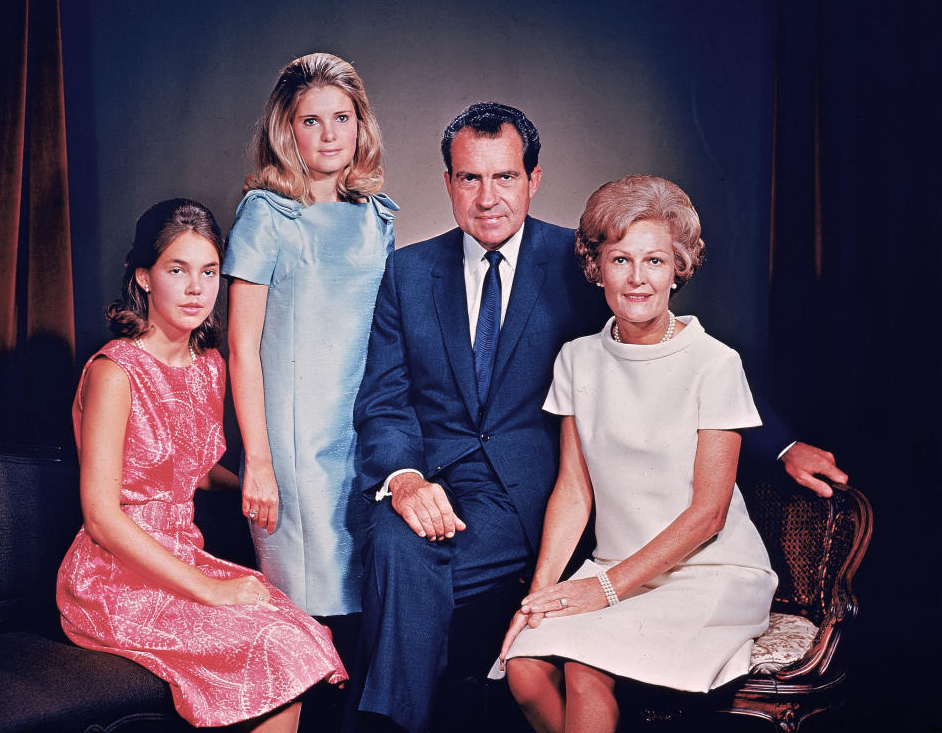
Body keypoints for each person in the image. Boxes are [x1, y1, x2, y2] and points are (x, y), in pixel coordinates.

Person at [350, 102, 845, 733]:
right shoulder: (408, 271)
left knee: (405, 583)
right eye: (469, 179)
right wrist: (406, 480)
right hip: (446, 487)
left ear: (533, 179)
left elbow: (672, 354)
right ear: (447, 182)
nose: (487, 198)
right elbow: (385, 399)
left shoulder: (582, 255)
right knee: (394, 544)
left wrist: (780, 445)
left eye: (504, 177)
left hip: (535, 492)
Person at [498, 176, 778, 733]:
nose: (637, 278)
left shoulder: (714, 363)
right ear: (596, 267)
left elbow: (709, 514)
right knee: (524, 671)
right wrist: (538, 596)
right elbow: (574, 492)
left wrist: (603, 590)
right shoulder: (577, 359)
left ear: (679, 268)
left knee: (583, 668)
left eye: (654, 261)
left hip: (709, 573)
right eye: (620, 259)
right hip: (613, 567)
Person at [56, 199, 346, 731]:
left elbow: (191, 467)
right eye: (177, 269)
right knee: (273, 644)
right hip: (113, 578)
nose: (196, 289)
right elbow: (100, 516)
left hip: (182, 553)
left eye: (209, 271)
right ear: (143, 277)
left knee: (294, 631)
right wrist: (208, 589)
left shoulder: (208, 365)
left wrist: (259, 486)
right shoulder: (114, 373)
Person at [223, 53, 398, 627]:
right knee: (306, 612)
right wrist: (259, 461)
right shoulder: (267, 214)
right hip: (293, 445)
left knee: (368, 609)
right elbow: (241, 347)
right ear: (286, 129)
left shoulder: (377, 216)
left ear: (360, 124)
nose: (329, 135)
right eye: (311, 120)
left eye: (341, 118)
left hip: (366, 434)